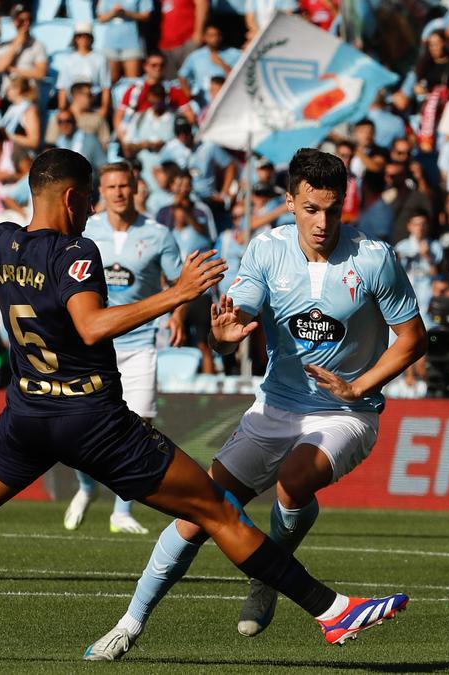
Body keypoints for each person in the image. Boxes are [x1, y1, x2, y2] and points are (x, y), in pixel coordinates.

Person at [0, 147, 408, 659]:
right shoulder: (78, 251)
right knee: (215, 507)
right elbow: (91, 326)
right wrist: (173, 296)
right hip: (93, 422)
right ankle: (331, 611)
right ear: (70, 198)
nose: (93, 209)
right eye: (89, 199)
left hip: (24, 419)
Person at [84, 148, 425, 659]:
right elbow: (234, 319)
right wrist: (223, 337)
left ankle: (268, 578)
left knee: (296, 475)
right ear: (290, 202)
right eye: (311, 209)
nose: (322, 222)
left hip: (346, 412)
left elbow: (413, 339)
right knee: (197, 513)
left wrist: (359, 387)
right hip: (273, 408)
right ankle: (129, 623)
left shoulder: (374, 258)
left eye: (332, 210)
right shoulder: (266, 250)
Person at [63, 162, 184, 535]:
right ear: (101, 190)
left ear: (135, 188)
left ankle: (121, 510)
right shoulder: (86, 230)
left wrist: (177, 315)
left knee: (140, 425)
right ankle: (86, 487)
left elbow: (180, 281)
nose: (118, 192)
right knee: (82, 426)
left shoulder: (158, 234)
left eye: (124, 186)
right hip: (93, 342)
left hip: (140, 341)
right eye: (111, 185)